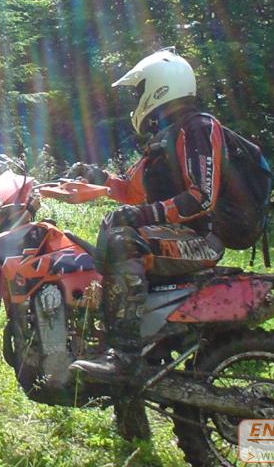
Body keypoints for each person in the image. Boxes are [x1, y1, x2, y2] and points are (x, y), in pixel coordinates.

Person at [67, 48, 227, 384]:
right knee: (109, 234)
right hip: (172, 237)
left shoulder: (197, 128)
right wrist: (98, 178)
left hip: (199, 240)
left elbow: (202, 198)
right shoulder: (163, 140)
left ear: (161, 86)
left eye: (141, 90)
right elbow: (130, 190)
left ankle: (123, 357)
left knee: (124, 240)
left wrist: (142, 214)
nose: (137, 99)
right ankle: (127, 395)